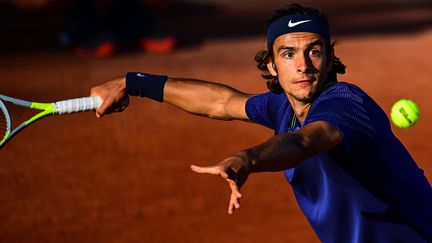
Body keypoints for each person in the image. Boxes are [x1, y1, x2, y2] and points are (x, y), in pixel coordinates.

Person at [90, 3, 432, 242]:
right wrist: (132, 82)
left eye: (314, 51)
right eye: (288, 54)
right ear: (271, 65)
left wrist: (247, 158)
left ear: (329, 59)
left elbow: (304, 142)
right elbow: (222, 102)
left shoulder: (345, 104)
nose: (302, 65)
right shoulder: (282, 107)